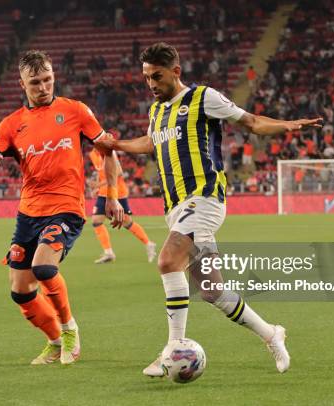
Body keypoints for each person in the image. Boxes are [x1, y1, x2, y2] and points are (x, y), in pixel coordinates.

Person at [96, 42, 322, 377]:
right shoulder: (156, 111)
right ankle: (272, 333)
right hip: (175, 205)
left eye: (156, 76)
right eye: (146, 78)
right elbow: (150, 144)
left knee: (167, 260)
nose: (151, 84)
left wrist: (287, 125)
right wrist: (117, 145)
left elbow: (252, 122)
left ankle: (173, 348)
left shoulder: (203, 98)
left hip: (203, 198)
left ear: (176, 71)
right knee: (212, 289)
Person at [0, 50, 123, 365]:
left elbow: (108, 150)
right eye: (35, 82)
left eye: (47, 80)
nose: (43, 87)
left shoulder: (75, 111)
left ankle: (70, 329)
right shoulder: (12, 124)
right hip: (29, 213)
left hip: (66, 207)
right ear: (22, 84)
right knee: (20, 291)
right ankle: (55, 342)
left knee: (44, 267)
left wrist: (111, 196)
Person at [89, 147, 157, 264]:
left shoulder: (109, 152)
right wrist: (98, 187)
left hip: (117, 192)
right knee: (96, 221)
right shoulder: (92, 154)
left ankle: (149, 244)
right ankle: (108, 252)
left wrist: (98, 184)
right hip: (104, 192)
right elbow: (99, 172)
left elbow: (118, 172)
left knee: (126, 222)